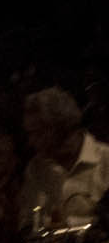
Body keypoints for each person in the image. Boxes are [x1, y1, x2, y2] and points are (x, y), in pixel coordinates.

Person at [19, 86, 109, 229]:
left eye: (37, 133)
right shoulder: (36, 168)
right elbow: (28, 224)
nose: (31, 142)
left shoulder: (106, 160)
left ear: (61, 128)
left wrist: (70, 225)